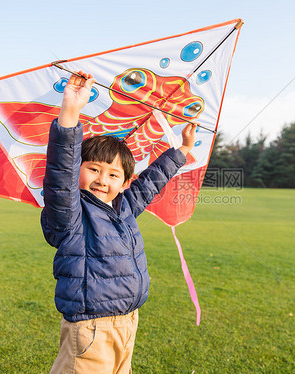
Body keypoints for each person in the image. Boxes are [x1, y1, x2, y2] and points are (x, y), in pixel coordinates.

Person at [41, 71, 197, 374]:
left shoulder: (124, 206)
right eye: (94, 169)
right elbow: (61, 171)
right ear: (78, 172)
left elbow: (152, 182)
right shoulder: (71, 213)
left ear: (125, 182)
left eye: (113, 175)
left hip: (127, 321)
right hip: (91, 329)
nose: (102, 180)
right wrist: (71, 111)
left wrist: (183, 150)